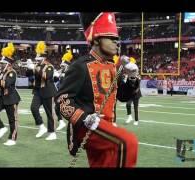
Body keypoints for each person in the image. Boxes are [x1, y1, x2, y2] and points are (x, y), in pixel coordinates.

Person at [56, 12, 138, 167]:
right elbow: (62, 100)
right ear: (96, 40)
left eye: (117, 39)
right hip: (85, 127)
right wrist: (85, 118)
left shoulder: (113, 67)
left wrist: (133, 78)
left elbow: (122, 96)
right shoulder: (79, 66)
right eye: (111, 38)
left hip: (107, 128)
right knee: (128, 142)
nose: (117, 42)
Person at [0, 43, 21, 146]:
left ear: (8, 64)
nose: (0, 65)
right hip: (2, 97)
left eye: (3, 63)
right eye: (1, 63)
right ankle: (1, 127)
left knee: (12, 119)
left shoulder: (12, 73)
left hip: (11, 98)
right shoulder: (1, 72)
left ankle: (12, 138)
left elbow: (6, 84)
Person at [26, 41, 57, 140]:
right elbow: (28, 75)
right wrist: (28, 68)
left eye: (39, 59)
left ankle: (52, 133)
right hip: (38, 92)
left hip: (48, 92)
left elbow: (46, 77)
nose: (37, 60)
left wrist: (35, 68)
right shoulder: (37, 66)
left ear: (44, 58)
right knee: (33, 108)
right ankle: (41, 127)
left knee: (49, 113)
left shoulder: (49, 67)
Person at [55, 46, 73, 131]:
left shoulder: (70, 72)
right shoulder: (63, 71)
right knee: (57, 107)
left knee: (70, 109)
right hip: (62, 92)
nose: (61, 67)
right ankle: (61, 122)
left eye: (63, 66)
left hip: (69, 93)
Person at [123, 60, 142, 126]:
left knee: (135, 107)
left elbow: (138, 86)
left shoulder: (137, 76)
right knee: (128, 104)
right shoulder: (128, 76)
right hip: (130, 93)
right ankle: (129, 117)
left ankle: (136, 120)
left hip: (136, 94)